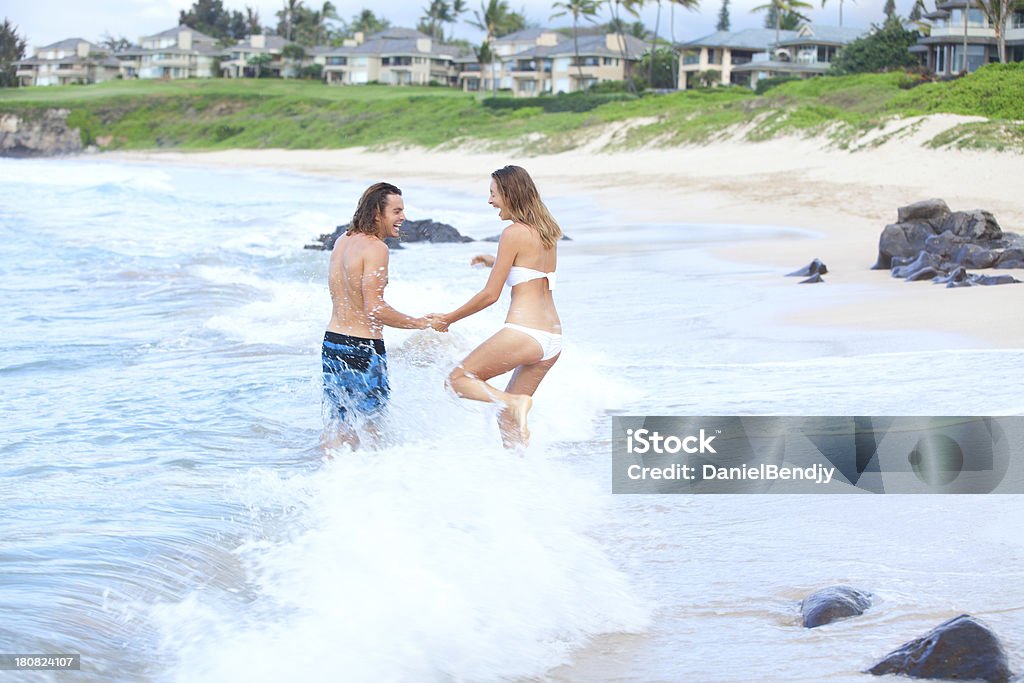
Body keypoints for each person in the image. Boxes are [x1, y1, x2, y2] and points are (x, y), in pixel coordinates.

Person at [433, 166, 563, 448]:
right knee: (507, 420)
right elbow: (532, 270)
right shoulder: (547, 232)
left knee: (457, 380)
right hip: (552, 339)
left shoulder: (513, 233)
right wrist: (495, 261)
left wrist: (448, 318)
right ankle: (523, 478)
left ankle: (514, 401)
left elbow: (490, 294)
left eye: (493, 194)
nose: (490, 201)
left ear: (510, 193)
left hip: (525, 333)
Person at [322, 181, 439, 451]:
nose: (403, 217)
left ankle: (333, 480)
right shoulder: (376, 248)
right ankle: (373, 483)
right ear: (377, 213)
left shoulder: (343, 241)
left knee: (338, 426)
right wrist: (419, 323)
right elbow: (374, 307)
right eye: (396, 211)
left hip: (332, 344)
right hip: (362, 350)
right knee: (372, 429)